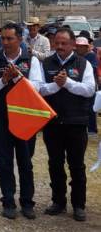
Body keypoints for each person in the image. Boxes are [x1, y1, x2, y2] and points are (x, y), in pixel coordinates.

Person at [0, 23, 42, 220]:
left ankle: (27, 202)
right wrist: (4, 80)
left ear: (20, 39)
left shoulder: (31, 60)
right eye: (3, 39)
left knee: (25, 162)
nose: (5, 42)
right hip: (1, 117)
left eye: (10, 39)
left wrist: (18, 77)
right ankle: (8, 202)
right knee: (4, 162)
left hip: (24, 117)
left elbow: (37, 87)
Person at [38, 28, 96, 222]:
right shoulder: (46, 63)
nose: (60, 46)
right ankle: (58, 201)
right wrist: (56, 85)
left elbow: (89, 90)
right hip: (53, 123)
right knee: (55, 164)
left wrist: (68, 83)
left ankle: (79, 205)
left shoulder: (83, 63)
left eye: (64, 43)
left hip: (76, 122)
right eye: (57, 43)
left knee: (77, 165)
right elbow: (39, 89)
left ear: (73, 44)